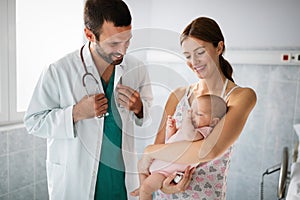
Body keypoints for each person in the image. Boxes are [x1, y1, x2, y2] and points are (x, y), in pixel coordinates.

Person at [23, 0, 153, 199]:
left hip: (121, 182)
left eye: (127, 41)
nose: (123, 51)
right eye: (114, 43)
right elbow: (33, 122)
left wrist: (140, 108)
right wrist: (75, 113)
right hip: (77, 182)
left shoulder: (137, 68)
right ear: (89, 35)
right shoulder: (59, 71)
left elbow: (149, 116)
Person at [137, 16, 257, 199]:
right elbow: (161, 152)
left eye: (200, 52)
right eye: (187, 56)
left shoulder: (240, 97)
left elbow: (209, 149)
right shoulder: (178, 95)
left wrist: (148, 151)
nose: (194, 62)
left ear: (219, 47)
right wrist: (166, 187)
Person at [131, 95, 227, 200]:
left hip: (166, 173)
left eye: (199, 114)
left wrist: (187, 118)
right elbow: (171, 142)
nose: (193, 116)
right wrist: (171, 130)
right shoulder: (190, 127)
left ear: (214, 122)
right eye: (193, 111)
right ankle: (142, 186)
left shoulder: (204, 132)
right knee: (141, 168)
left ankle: (143, 190)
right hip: (161, 163)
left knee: (146, 189)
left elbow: (188, 135)